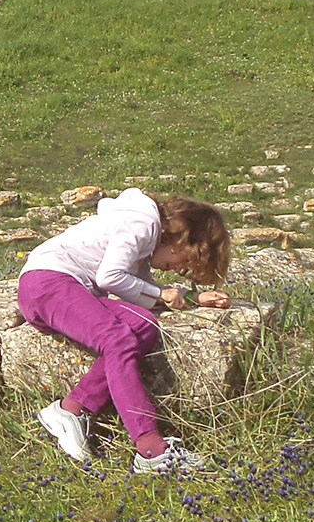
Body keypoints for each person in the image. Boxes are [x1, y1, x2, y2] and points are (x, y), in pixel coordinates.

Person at [18, 187, 232, 474]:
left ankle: (72, 409)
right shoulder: (141, 224)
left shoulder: (146, 239)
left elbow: (142, 290)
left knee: (143, 325)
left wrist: (190, 297)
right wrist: (161, 293)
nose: (176, 269)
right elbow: (110, 277)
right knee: (116, 338)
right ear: (183, 240)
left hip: (68, 288)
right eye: (185, 261)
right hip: (47, 283)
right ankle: (151, 449)